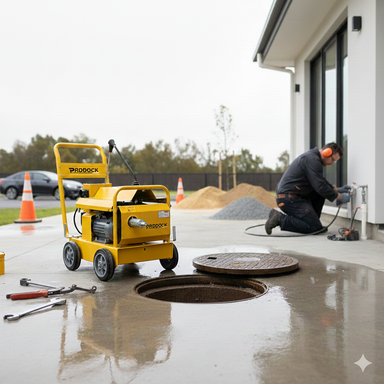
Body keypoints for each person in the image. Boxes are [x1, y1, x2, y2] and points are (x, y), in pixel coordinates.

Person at [265, 143, 350, 235]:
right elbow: (320, 186)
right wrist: (339, 196)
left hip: (293, 197)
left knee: (319, 194)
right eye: (332, 160)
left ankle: (314, 222)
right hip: (288, 199)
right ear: (327, 152)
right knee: (314, 227)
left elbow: (321, 181)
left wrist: (337, 189)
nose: (331, 163)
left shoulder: (313, 158)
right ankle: (279, 219)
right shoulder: (312, 160)